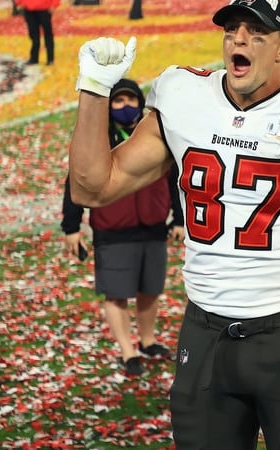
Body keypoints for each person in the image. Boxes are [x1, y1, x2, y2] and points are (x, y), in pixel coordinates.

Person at [67, 0, 280, 446]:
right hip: (204, 329)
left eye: (256, 32)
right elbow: (91, 188)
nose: (239, 39)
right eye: (232, 29)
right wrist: (93, 89)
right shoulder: (184, 95)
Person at [62, 78, 184, 376]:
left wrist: (179, 218)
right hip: (113, 229)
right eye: (118, 101)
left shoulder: (154, 135)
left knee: (150, 289)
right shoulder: (99, 139)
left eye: (131, 100)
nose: (126, 106)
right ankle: (128, 351)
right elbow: (76, 182)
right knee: (116, 293)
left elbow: (174, 177)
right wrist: (71, 226)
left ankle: (147, 339)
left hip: (153, 226)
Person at [16, 0, 59, 66]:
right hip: (29, 10)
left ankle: (50, 59)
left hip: (45, 9)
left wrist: (54, 4)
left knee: (48, 34)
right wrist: (19, 2)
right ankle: (34, 58)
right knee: (33, 35)